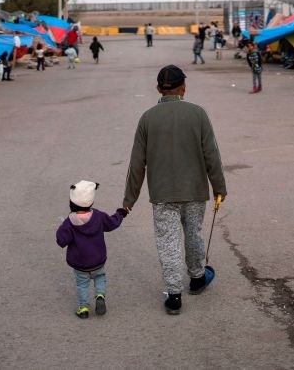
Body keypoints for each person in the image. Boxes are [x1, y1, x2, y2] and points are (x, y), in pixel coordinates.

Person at [123, 65, 227, 316]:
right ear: (184, 87)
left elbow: (137, 163)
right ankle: (197, 278)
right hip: (194, 191)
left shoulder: (147, 118)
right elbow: (211, 154)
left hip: (162, 194)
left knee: (167, 241)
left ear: (159, 89)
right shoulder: (198, 114)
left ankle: (174, 295)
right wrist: (219, 187)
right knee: (193, 234)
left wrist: (129, 200)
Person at [56, 180, 127, 319]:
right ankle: (100, 295)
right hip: (98, 260)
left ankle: (83, 309)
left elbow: (61, 241)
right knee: (100, 277)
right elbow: (113, 223)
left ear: (72, 202)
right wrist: (121, 213)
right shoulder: (98, 216)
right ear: (91, 202)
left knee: (82, 284)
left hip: (80, 264)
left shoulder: (69, 222)